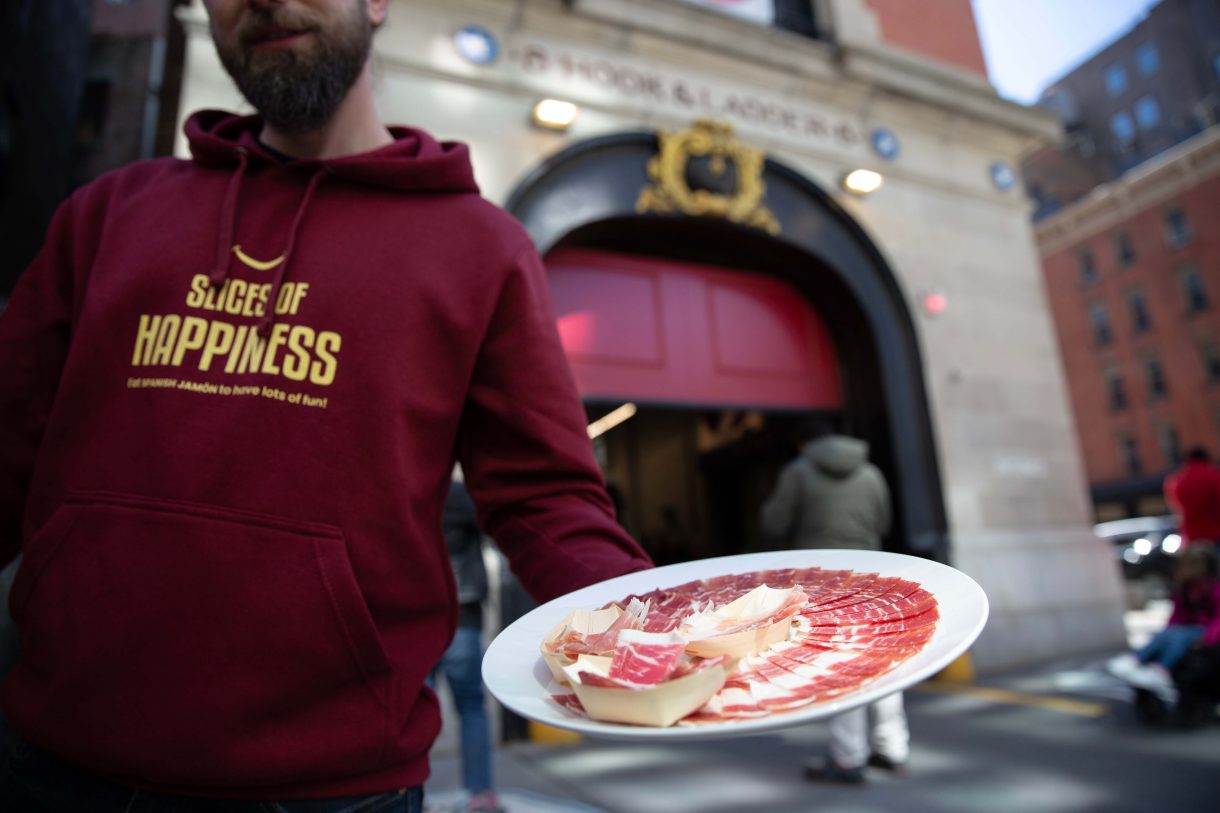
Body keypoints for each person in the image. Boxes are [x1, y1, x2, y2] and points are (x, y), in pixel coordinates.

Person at [0, 1, 652, 811]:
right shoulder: (105, 217)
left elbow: (546, 496)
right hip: (52, 769)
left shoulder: (480, 249)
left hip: (339, 792)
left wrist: (651, 628)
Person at [759, 416, 907, 784]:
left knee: (842, 661)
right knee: (884, 657)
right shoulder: (871, 473)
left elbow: (774, 524)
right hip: (872, 575)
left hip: (825, 580)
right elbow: (885, 523)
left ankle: (847, 756)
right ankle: (892, 747)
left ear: (803, 444)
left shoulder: (798, 471)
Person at [431, 478, 502, 813]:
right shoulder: (457, 493)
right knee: (472, 705)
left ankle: (409, 795)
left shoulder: (399, 486)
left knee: (412, 712)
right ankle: (480, 795)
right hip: (462, 614)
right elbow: (497, 519)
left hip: (416, 616)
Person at [1107, 546, 1220, 696]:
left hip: (1205, 632)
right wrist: (1169, 631)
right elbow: (1177, 615)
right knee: (1165, 635)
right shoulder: (1185, 589)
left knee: (1179, 637)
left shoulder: (1212, 589)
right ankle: (1136, 659)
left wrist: (1208, 639)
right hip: (1189, 629)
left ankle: (1161, 669)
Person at [1164, 447, 1220, 549]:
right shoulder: (1214, 476)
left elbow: (1177, 509)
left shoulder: (1177, 481)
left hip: (1192, 536)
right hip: (1216, 534)